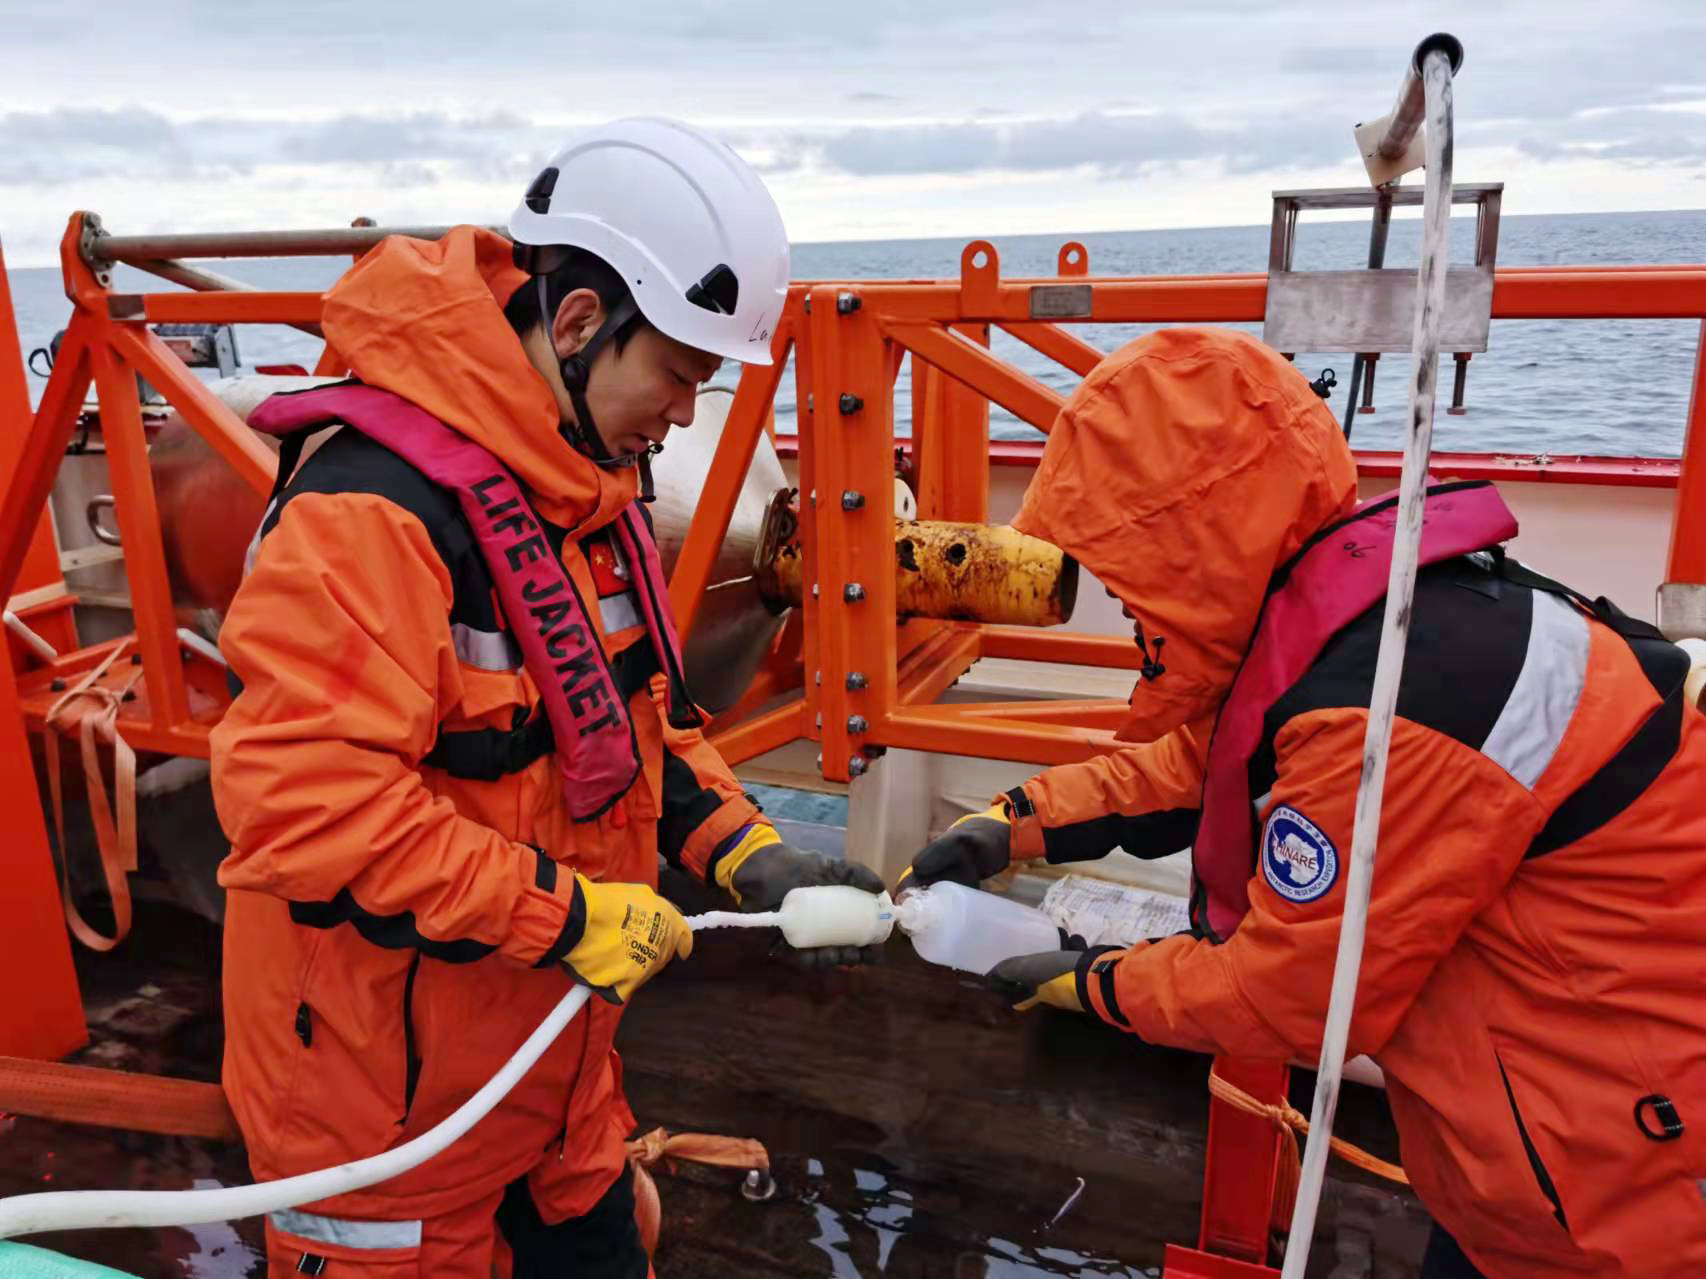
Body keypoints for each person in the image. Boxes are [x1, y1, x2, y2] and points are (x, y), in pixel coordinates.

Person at [211, 117, 882, 1278]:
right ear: (576, 324)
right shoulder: (370, 512)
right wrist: (569, 919)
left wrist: (748, 854)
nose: (683, 415)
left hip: (555, 1074)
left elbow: (634, 724)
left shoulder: (585, 493)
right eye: (674, 373)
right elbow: (306, 804)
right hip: (387, 1116)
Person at [904, 327, 1706, 1278]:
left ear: (1197, 551)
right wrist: (1011, 821)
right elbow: (1207, 769)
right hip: (1535, 1152)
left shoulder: (1388, 706)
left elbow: (1288, 997)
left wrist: (1088, 979)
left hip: (1627, 1191)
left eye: (1132, 580)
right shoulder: (1384, 627)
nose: (1123, 612)